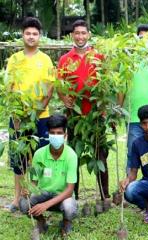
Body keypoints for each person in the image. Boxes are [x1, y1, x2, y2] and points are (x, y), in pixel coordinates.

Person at [57, 19, 110, 201]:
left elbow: (105, 84)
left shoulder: (98, 57)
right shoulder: (65, 59)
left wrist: (103, 106)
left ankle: (105, 195)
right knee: (74, 156)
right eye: (77, 33)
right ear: (72, 35)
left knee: (100, 154)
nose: (80, 36)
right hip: (75, 117)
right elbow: (59, 84)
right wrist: (64, 99)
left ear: (89, 35)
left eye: (83, 33)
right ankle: (74, 195)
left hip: (95, 115)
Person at [5, 17, 54, 213]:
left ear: (40, 36)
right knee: (19, 160)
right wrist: (17, 115)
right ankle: (17, 199)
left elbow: (50, 88)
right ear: (22, 35)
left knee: (40, 156)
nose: (31, 37)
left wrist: (38, 111)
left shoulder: (46, 59)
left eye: (35, 34)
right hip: (18, 118)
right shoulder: (14, 60)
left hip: (42, 117)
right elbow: (9, 88)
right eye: (28, 33)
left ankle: (38, 194)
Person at [117, 24, 148, 170]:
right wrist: (117, 112)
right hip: (133, 118)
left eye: (147, 37)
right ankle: (129, 186)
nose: (143, 40)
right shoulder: (128, 61)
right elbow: (121, 90)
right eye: (140, 37)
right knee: (132, 153)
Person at [19, 114, 78, 237]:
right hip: (44, 193)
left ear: (65, 135)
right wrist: (27, 190)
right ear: (48, 135)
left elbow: (69, 190)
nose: (56, 136)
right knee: (24, 203)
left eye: (59, 133)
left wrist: (46, 205)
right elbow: (33, 183)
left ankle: (66, 222)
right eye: (53, 133)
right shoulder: (39, 154)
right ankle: (41, 221)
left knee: (70, 208)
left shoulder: (71, 156)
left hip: (62, 196)